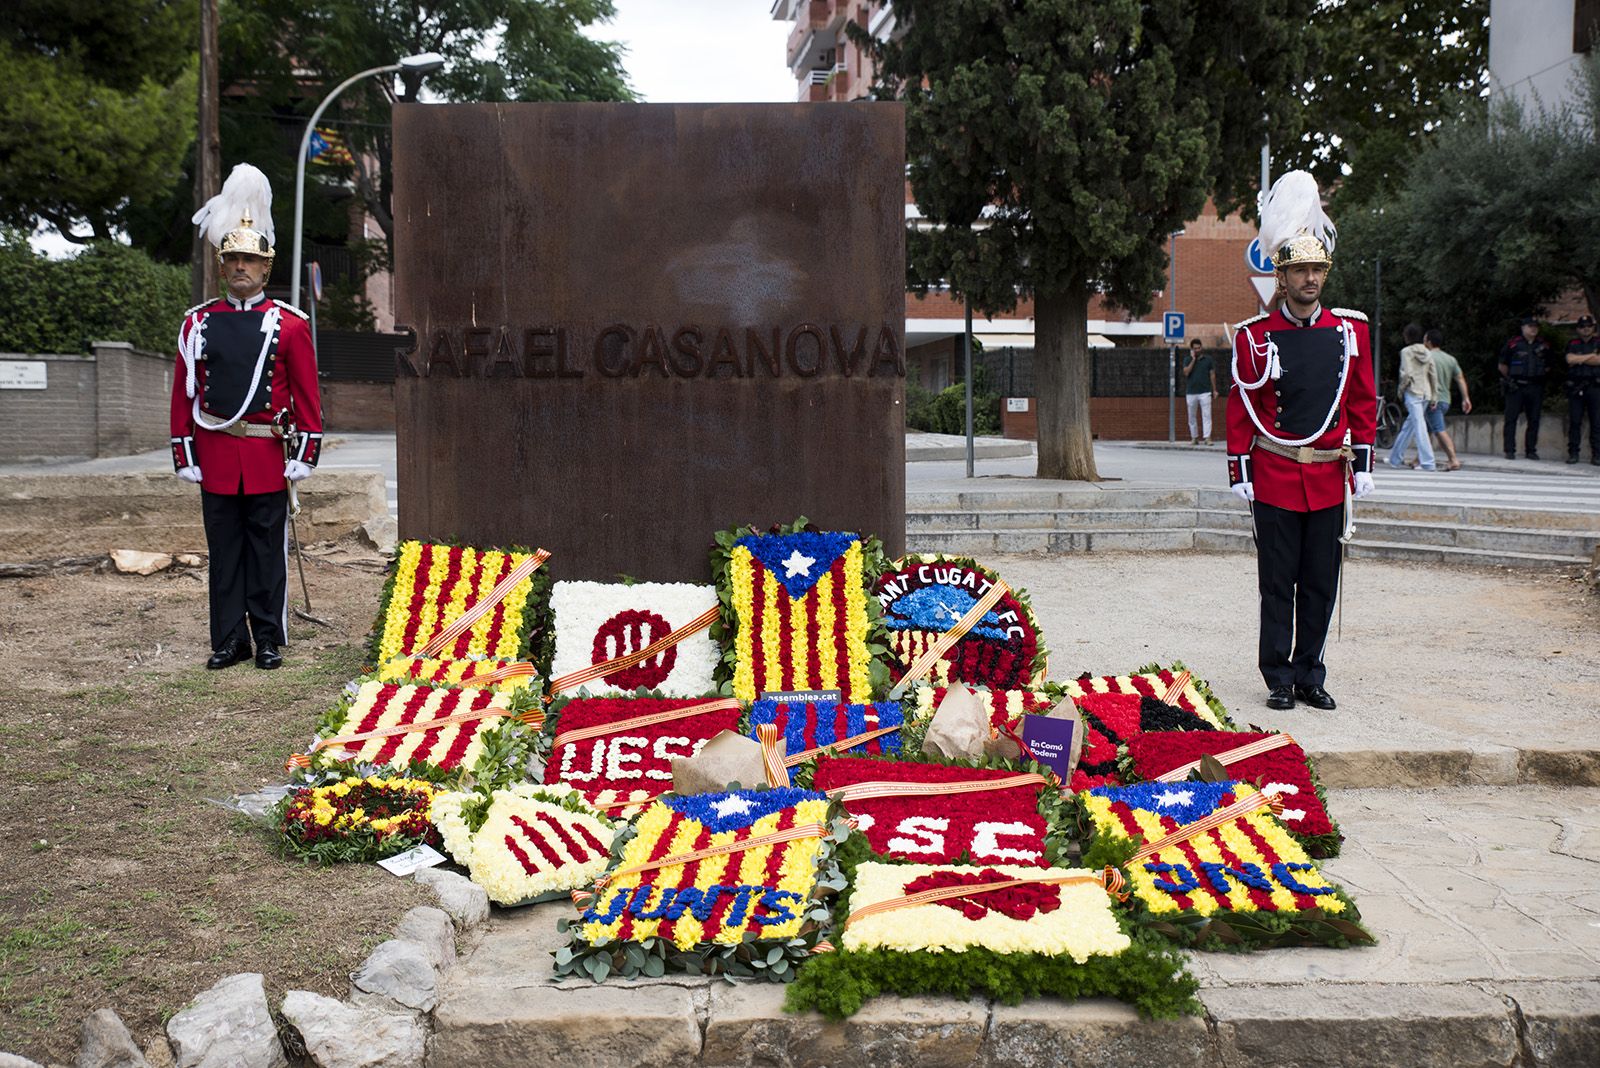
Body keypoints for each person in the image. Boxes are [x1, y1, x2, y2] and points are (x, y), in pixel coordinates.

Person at [1228, 170, 1375, 712]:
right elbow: (1243, 406)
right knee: (1276, 585)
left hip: (1328, 475)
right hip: (1275, 472)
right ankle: (1278, 677)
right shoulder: (1255, 336)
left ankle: (1311, 673)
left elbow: (1361, 399)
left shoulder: (1350, 331)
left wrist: (1362, 462)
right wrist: (1238, 469)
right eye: (1300, 270)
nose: (1310, 279)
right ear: (1282, 275)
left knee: (1320, 583)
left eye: (1318, 269)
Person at [171, 164, 323, 670]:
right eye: (232, 258)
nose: (241, 267)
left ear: (265, 268)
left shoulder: (289, 325)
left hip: (264, 453)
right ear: (222, 264)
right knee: (225, 555)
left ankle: (269, 637)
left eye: (250, 261)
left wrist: (305, 453)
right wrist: (183, 452)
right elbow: (183, 396)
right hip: (215, 453)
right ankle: (229, 639)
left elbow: (306, 397)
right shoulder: (197, 323)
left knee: (266, 552)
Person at [1498, 318, 1552, 460]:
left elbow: (1548, 366)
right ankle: (1510, 450)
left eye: (1536, 327)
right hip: (1516, 386)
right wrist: (1512, 379)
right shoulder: (1513, 344)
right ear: (1523, 328)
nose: (1533, 329)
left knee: (1534, 419)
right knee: (1511, 419)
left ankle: (1531, 450)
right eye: (1530, 326)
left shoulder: (1543, 345)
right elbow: (1502, 366)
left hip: (1535, 386)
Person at [1386, 323, 1437, 471]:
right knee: (1409, 427)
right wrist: (1434, 396)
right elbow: (1433, 374)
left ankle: (1428, 462)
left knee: (1419, 427)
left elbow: (1406, 374)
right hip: (1426, 393)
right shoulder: (1428, 352)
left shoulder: (1406, 351)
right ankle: (1395, 459)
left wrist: (1400, 390)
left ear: (1407, 336)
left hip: (1413, 392)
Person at [1425, 328, 1470, 470]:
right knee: (1427, 430)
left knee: (1438, 429)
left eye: (1424, 340)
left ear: (1429, 342)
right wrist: (1466, 398)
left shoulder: (1426, 356)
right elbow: (1460, 378)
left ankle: (1453, 459)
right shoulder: (1450, 359)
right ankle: (1418, 459)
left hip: (1433, 400)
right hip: (1446, 400)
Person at [1566, 314, 1599, 465]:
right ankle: (1573, 453)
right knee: (1574, 422)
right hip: (1576, 387)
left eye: (1588, 326)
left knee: (1597, 423)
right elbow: (1569, 360)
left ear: (1593, 327)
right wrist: (1591, 356)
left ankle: (1597, 455)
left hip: (1595, 386)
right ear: (1578, 329)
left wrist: (1580, 359)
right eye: (1582, 326)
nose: (1586, 329)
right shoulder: (1572, 343)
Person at [1183, 338, 1220, 444]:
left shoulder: (1208, 360)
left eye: (1199, 348)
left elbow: (1212, 374)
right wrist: (1193, 359)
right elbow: (1186, 372)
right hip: (1191, 392)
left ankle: (1207, 437)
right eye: (1195, 349)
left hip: (1205, 392)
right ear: (1192, 349)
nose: (1197, 350)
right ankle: (1194, 437)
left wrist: (1214, 390)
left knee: (1207, 415)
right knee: (1191, 416)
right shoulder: (1187, 359)